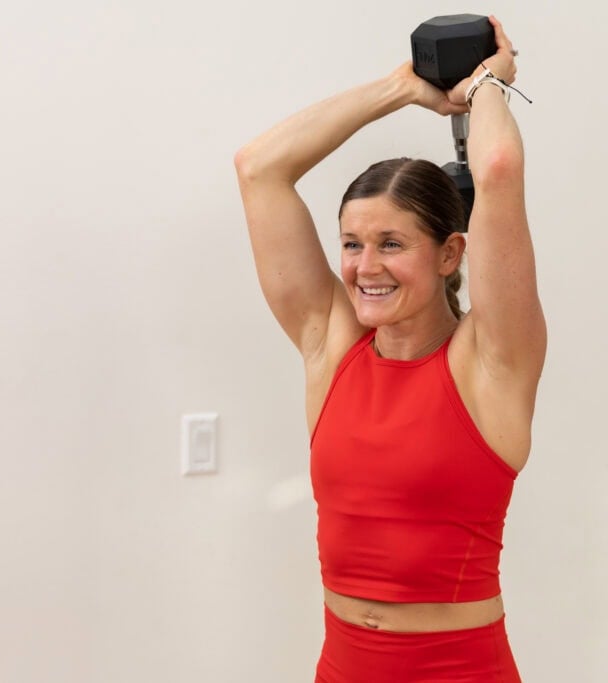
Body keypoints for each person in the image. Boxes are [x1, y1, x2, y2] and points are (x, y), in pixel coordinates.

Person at [234, 16, 545, 683]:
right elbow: (259, 169)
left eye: (392, 244)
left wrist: (487, 81)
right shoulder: (331, 344)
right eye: (352, 243)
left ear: (449, 253)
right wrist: (403, 87)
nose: (364, 267)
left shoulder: (491, 362)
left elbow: (495, 168)